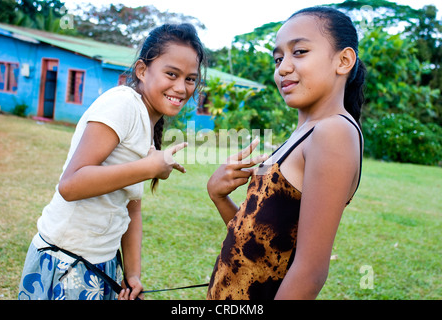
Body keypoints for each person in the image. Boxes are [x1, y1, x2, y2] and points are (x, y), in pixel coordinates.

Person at [18, 23, 206, 300]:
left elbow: (132, 209)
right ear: (142, 71)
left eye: (190, 79)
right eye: (171, 74)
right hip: (67, 260)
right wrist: (150, 167)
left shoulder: (146, 124)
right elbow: (70, 185)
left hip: (99, 262)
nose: (181, 87)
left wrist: (132, 275)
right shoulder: (123, 104)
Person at [206, 6, 365, 300]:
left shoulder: (334, 133)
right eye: (278, 58)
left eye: (300, 52)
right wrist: (219, 196)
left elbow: (310, 271)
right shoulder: (302, 134)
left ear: (343, 60)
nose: (283, 68)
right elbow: (256, 240)